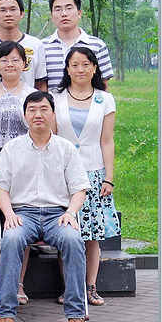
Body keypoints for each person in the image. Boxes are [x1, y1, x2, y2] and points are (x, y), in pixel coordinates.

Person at [0, 91, 90, 322]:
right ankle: (6, 312)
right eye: (32, 110)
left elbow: (79, 189)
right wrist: (9, 214)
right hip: (23, 213)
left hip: (57, 214)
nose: (38, 114)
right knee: (11, 239)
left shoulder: (66, 149)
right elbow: (2, 189)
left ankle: (76, 313)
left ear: (53, 114)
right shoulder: (11, 149)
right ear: (25, 115)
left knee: (73, 240)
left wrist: (71, 212)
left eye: (44, 109)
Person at [53, 46, 118, 308]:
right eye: (75, 65)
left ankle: (91, 287)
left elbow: (107, 140)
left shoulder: (105, 100)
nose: (80, 69)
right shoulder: (55, 98)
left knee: (92, 235)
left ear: (94, 68)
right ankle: (70, 287)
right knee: (68, 234)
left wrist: (108, 177)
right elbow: (53, 139)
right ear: (67, 69)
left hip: (94, 172)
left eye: (85, 64)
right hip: (63, 174)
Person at [43, 0, 115, 92]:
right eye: (58, 9)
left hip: (89, 102)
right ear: (52, 16)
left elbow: (103, 84)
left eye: (69, 8)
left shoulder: (97, 45)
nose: (64, 14)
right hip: (52, 102)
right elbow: (39, 85)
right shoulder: (42, 46)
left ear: (79, 13)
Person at [0, 40, 37, 168]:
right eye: (4, 60)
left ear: (24, 63)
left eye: (15, 60)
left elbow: (39, 133)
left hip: (27, 164)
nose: (10, 64)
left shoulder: (34, 95)